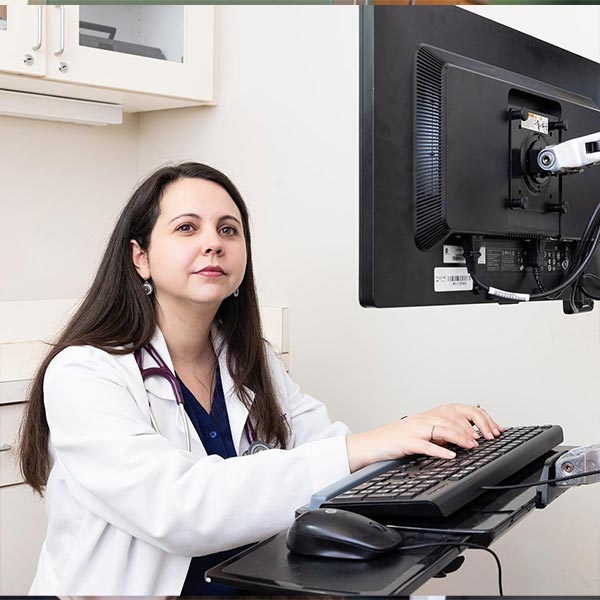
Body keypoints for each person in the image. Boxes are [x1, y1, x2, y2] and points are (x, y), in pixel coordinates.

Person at [19, 162, 503, 595]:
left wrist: (418, 438)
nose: (213, 241)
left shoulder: (251, 361)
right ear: (139, 257)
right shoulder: (85, 372)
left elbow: (330, 457)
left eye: (228, 229)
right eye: (187, 228)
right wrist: (371, 444)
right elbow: (178, 509)